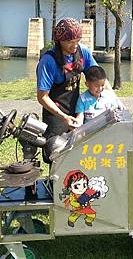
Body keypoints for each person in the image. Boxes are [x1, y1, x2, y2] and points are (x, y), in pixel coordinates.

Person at [36, 18, 98, 162]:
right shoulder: (48, 61)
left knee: (79, 151)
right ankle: (54, 183)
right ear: (59, 41)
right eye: (70, 42)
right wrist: (64, 117)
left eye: (77, 40)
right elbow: (42, 97)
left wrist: (113, 100)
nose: (74, 45)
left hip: (77, 109)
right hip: (56, 114)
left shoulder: (82, 52)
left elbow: (97, 76)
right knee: (56, 152)